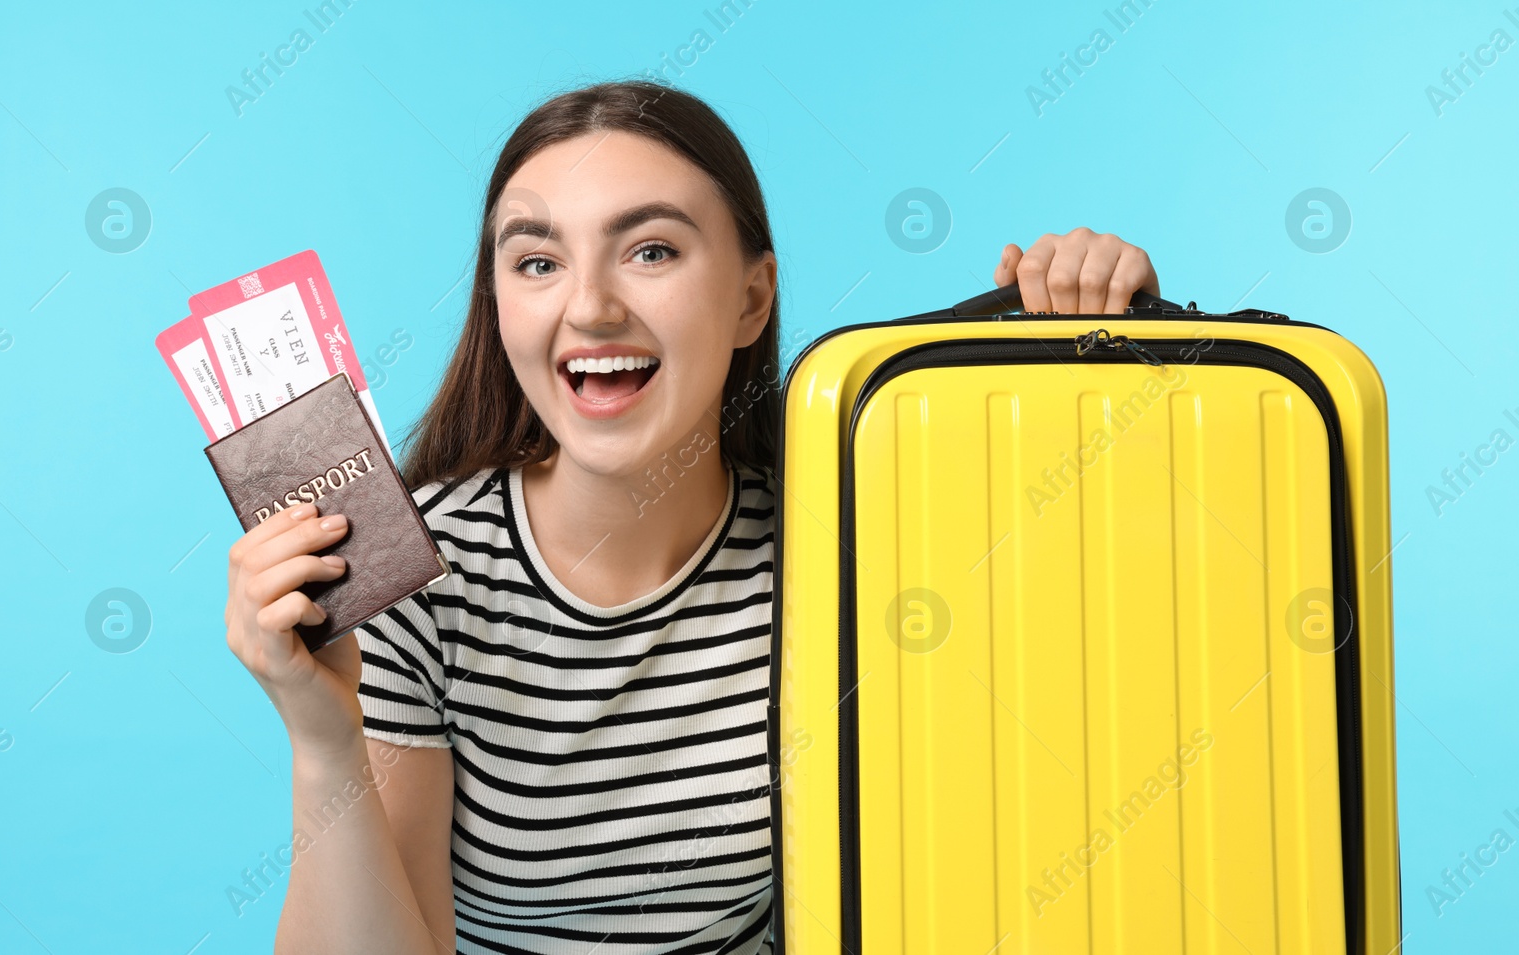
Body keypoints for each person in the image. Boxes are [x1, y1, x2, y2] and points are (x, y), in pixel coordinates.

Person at [222, 79, 1162, 954]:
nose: (589, 306)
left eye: (652, 250)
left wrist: (1112, 335)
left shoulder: (846, 545)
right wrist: (323, 734)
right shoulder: (421, 580)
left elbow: (1100, 654)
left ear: (753, 297)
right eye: (538, 260)